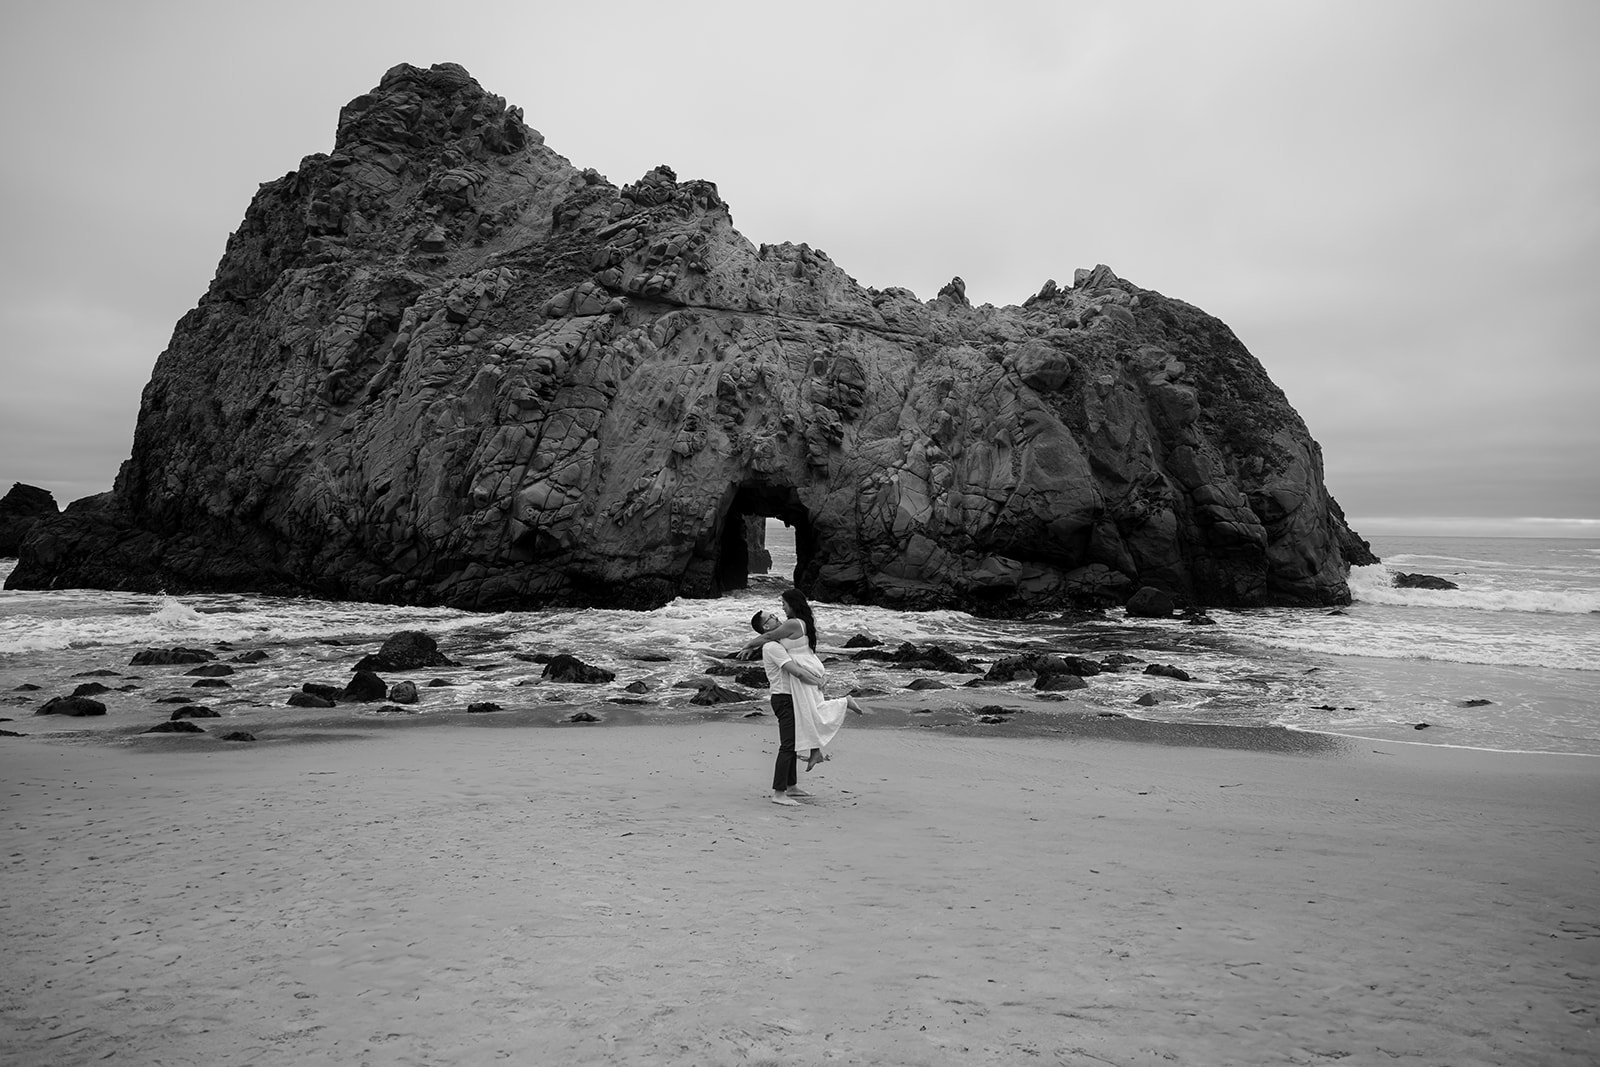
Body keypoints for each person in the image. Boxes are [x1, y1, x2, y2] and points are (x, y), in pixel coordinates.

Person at [744, 588, 865, 786]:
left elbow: (769, 638)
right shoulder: (790, 629)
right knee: (811, 711)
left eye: (782, 605)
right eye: (772, 616)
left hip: (805, 668)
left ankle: (843, 703)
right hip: (803, 670)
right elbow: (768, 639)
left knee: (814, 711)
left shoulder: (791, 625)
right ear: (766, 626)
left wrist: (748, 646)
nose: (779, 611)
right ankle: (812, 755)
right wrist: (751, 645)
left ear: (793, 604)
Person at [751, 609, 826, 806]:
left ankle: (791, 786)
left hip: (790, 697)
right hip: (783, 698)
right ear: (766, 627)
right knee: (787, 745)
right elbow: (795, 671)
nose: (777, 617)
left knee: (792, 744)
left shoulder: (779, 643)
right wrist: (817, 681)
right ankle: (779, 793)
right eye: (772, 617)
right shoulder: (772, 647)